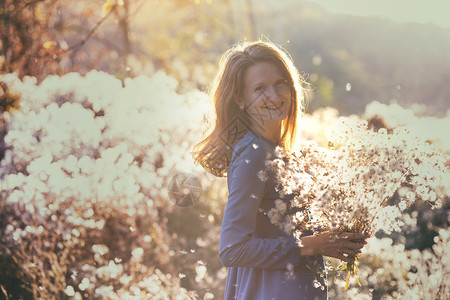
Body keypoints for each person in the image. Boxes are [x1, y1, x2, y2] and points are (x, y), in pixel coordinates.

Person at [192, 41, 369, 299]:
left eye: (280, 83)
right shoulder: (253, 153)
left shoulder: (277, 150)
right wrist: (312, 245)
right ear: (240, 99)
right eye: (260, 89)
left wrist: (337, 234)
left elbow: (280, 229)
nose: (274, 96)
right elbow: (232, 249)